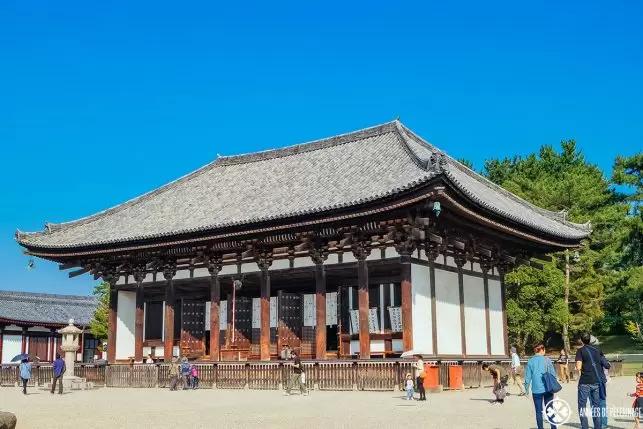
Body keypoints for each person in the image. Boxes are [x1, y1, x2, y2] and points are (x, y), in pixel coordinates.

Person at [524, 343, 559, 429]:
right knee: (550, 410)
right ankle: (553, 427)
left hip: (536, 390)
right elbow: (553, 375)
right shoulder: (547, 360)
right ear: (542, 350)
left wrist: (526, 390)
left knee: (538, 412)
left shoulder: (530, 361)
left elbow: (527, 378)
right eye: (545, 350)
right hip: (548, 388)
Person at [575, 332, 604, 429]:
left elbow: (578, 367)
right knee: (596, 406)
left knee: (582, 406)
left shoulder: (580, 351)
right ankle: (598, 426)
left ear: (582, 340)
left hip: (584, 381)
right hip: (596, 381)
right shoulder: (597, 349)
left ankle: (584, 426)